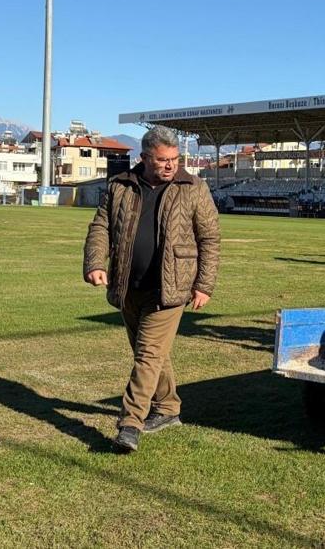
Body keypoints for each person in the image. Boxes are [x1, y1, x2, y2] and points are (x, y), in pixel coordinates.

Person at [83, 126, 221, 454]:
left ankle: (130, 423)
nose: (170, 165)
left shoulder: (193, 187)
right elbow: (100, 226)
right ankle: (169, 409)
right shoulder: (120, 186)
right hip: (128, 286)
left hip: (171, 288)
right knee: (152, 353)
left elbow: (210, 238)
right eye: (162, 160)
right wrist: (95, 263)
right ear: (144, 157)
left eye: (174, 159)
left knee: (147, 354)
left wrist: (204, 284)